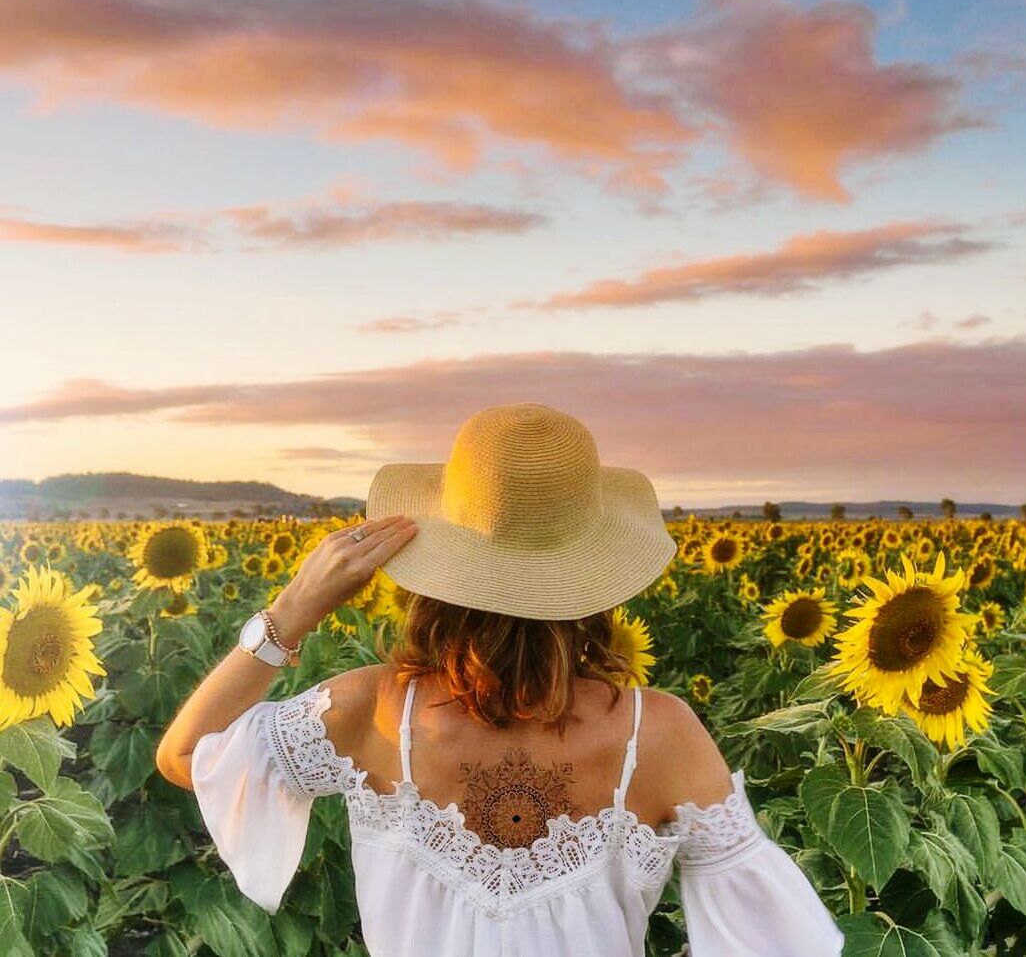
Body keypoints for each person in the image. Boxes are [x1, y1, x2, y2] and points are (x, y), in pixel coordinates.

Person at [156, 402, 845, 956]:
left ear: (433, 567)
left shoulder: (368, 711)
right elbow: (777, 941)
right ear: (597, 578)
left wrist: (287, 615)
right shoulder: (658, 735)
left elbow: (186, 755)